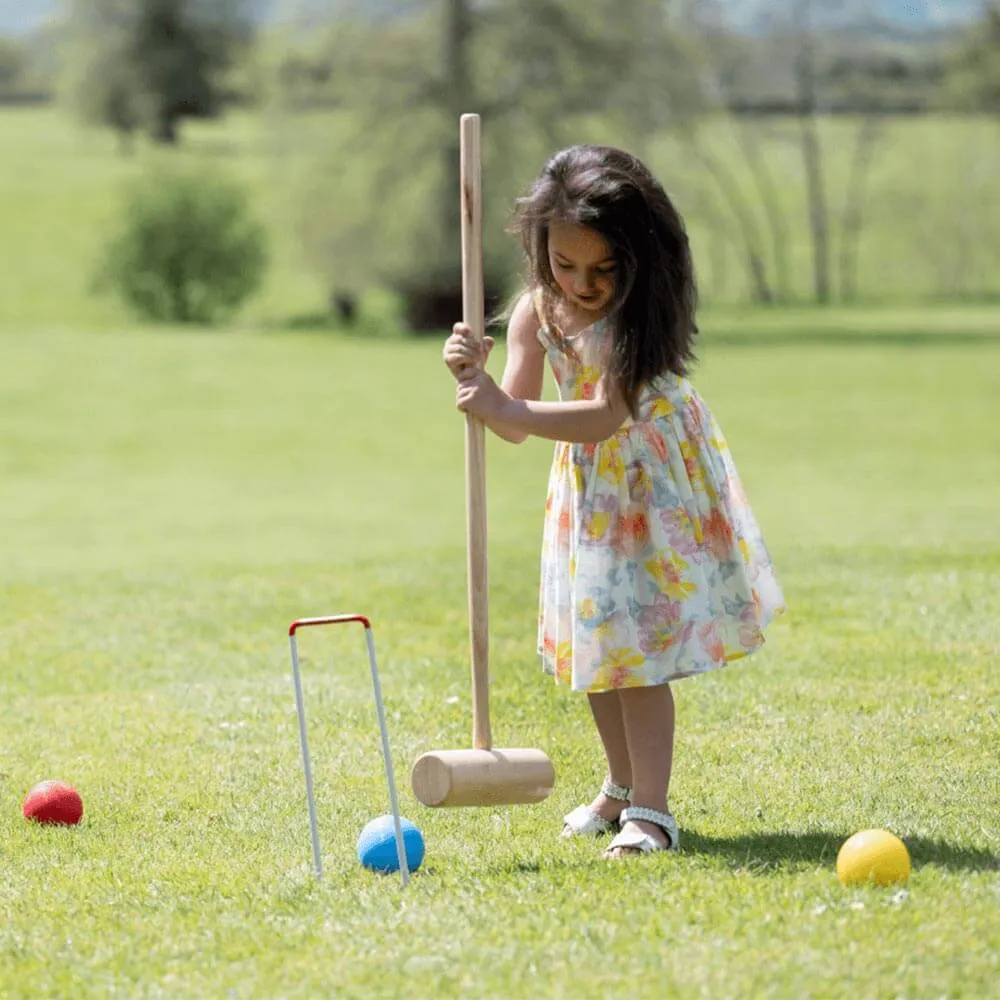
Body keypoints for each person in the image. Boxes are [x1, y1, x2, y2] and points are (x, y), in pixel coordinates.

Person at [442, 144, 785, 858]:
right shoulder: (537, 312)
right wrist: (475, 381)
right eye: (564, 265)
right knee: (597, 649)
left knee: (639, 655)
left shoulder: (635, 317)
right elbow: (514, 422)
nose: (582, 282)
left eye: (602, 268)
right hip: (589, 491)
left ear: (638, 259)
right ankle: (620, 790)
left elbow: (604, 416)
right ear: (541, 252)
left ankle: (653, 812)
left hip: (652, 482)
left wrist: (509, 406)